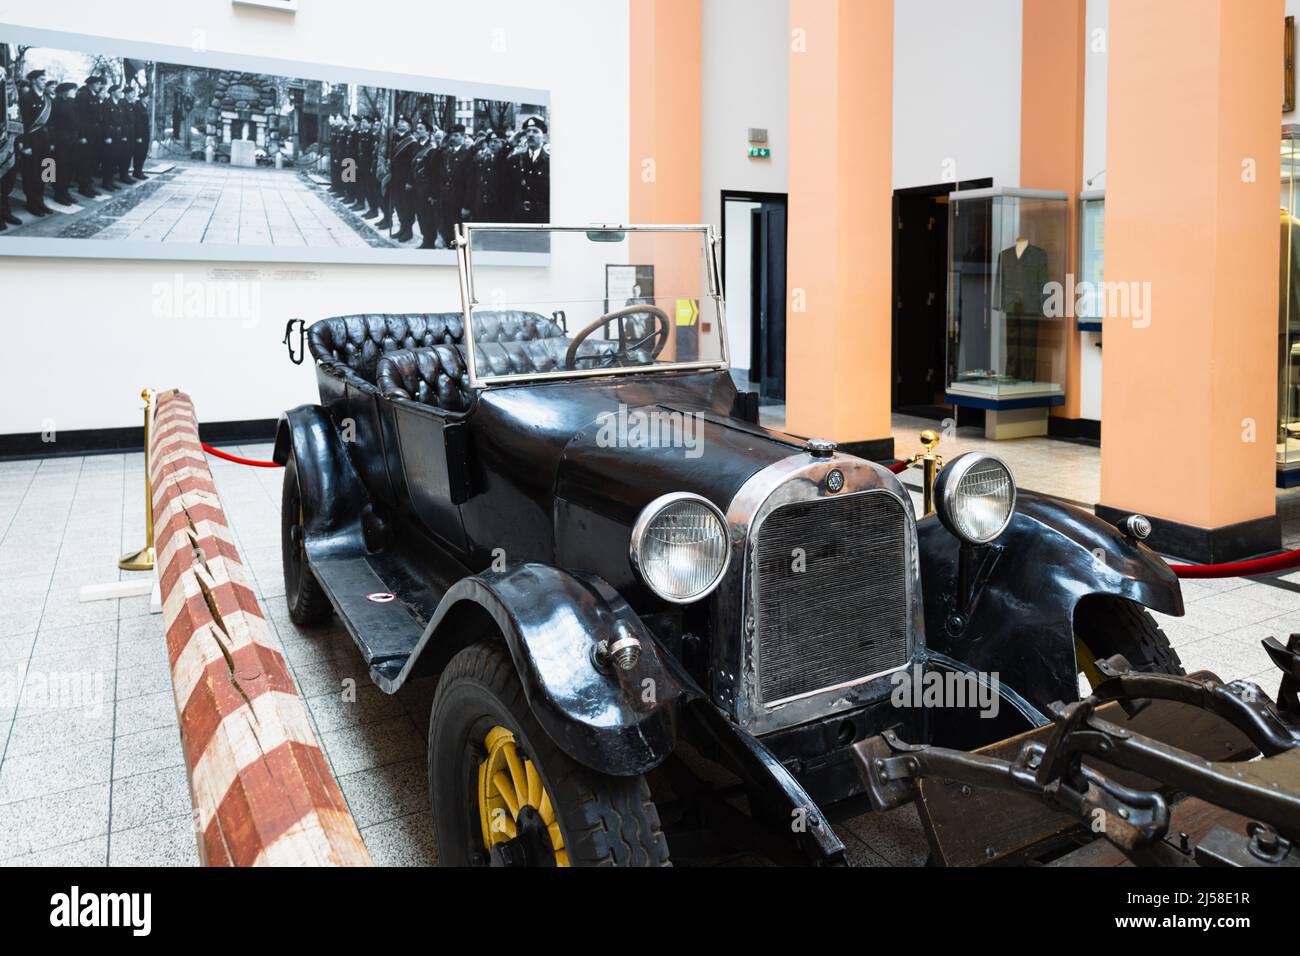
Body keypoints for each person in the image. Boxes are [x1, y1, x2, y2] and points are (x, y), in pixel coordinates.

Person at [506, 116, 549, 223]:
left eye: (535, 131)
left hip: (541, 219)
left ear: (544, 136)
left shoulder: (550, 162)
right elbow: (498, 164)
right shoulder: (517, 159)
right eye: (528, 131)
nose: (530, 134)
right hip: (519, 218)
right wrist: (510, 143)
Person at [435, 123, 470, 248]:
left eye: (456, 135)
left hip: (459, 198)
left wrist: (466, 205)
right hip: (445, 196)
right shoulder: (445, 153)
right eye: (451, 136)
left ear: (463, 137)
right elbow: (436, 169)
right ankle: (449, 243)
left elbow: (470, 182)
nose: (452, 138)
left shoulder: (467, 154)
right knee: (447, 224)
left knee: (459, 227)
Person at [49, 81, 79, 206]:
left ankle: (65, 191)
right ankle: (59, 194)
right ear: (65, 91)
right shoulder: (55, 103)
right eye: (73, 90)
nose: (75, 93)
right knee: (60, 167)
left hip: (71, 138)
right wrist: (52, 141)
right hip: (60, 138)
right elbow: (51, 124)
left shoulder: (71, 103)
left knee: (70, 166)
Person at [73, 75, 104, 198]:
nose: (99, 86)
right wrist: (82, 135)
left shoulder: (94, 96)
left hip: (94, 133)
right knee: (84, 161)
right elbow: (80, 117)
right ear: (90, 84)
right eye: (97, 84)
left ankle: (89, 185)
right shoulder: (83, 96)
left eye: (99, 84)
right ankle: (83, 187)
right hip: (86, 133)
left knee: (92, 161)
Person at [387, 115, 416, 240]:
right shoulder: (395, 138)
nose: (400, 124)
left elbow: (413, 163)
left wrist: (410, 180)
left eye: (403, 122)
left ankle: (408, 231)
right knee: (398, 204)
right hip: (395, 178)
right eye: (399, 121)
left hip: (405, 180)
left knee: (406, 206)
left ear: (409, 126)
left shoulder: (411, 141)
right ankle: (402, 229)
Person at [411, 117, 438, 248]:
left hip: (427, 188)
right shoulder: (416, 146)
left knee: (428, 215)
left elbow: (434, 173)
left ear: (428, 132)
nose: (418, 131)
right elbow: (411, 167)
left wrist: (432, 193)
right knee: (420, 214)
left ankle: (430, 240)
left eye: (421, 129)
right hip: (416, 187)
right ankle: (425, 238)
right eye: (417, 128)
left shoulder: (432, 149)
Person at [0, 65, 21, 229]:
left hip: (7, 142)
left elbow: (13, 110)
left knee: (7, 180)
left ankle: (5, 212)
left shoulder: (8, 88)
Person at [97, 82, 122, 191]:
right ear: (112, 92)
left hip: (117, 134)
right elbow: (105, 121)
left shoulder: (118, 104)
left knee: (115, 159)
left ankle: (111, 181)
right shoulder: (107, 104)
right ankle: (106, 182)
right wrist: (107, 136)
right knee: (108, 159)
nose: (120, 93)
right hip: (110, 134)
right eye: (119, 91)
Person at [125, 85, 149, 179]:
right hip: (140, 135)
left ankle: (140, 171)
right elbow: (138, 123)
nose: (148, 99)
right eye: (147, 98)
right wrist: (138, 136)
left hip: (145, 134)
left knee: (143, 154)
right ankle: (137, 172)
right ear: (142, 98)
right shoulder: (138, 107)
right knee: (139, 154)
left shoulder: (143, 107)